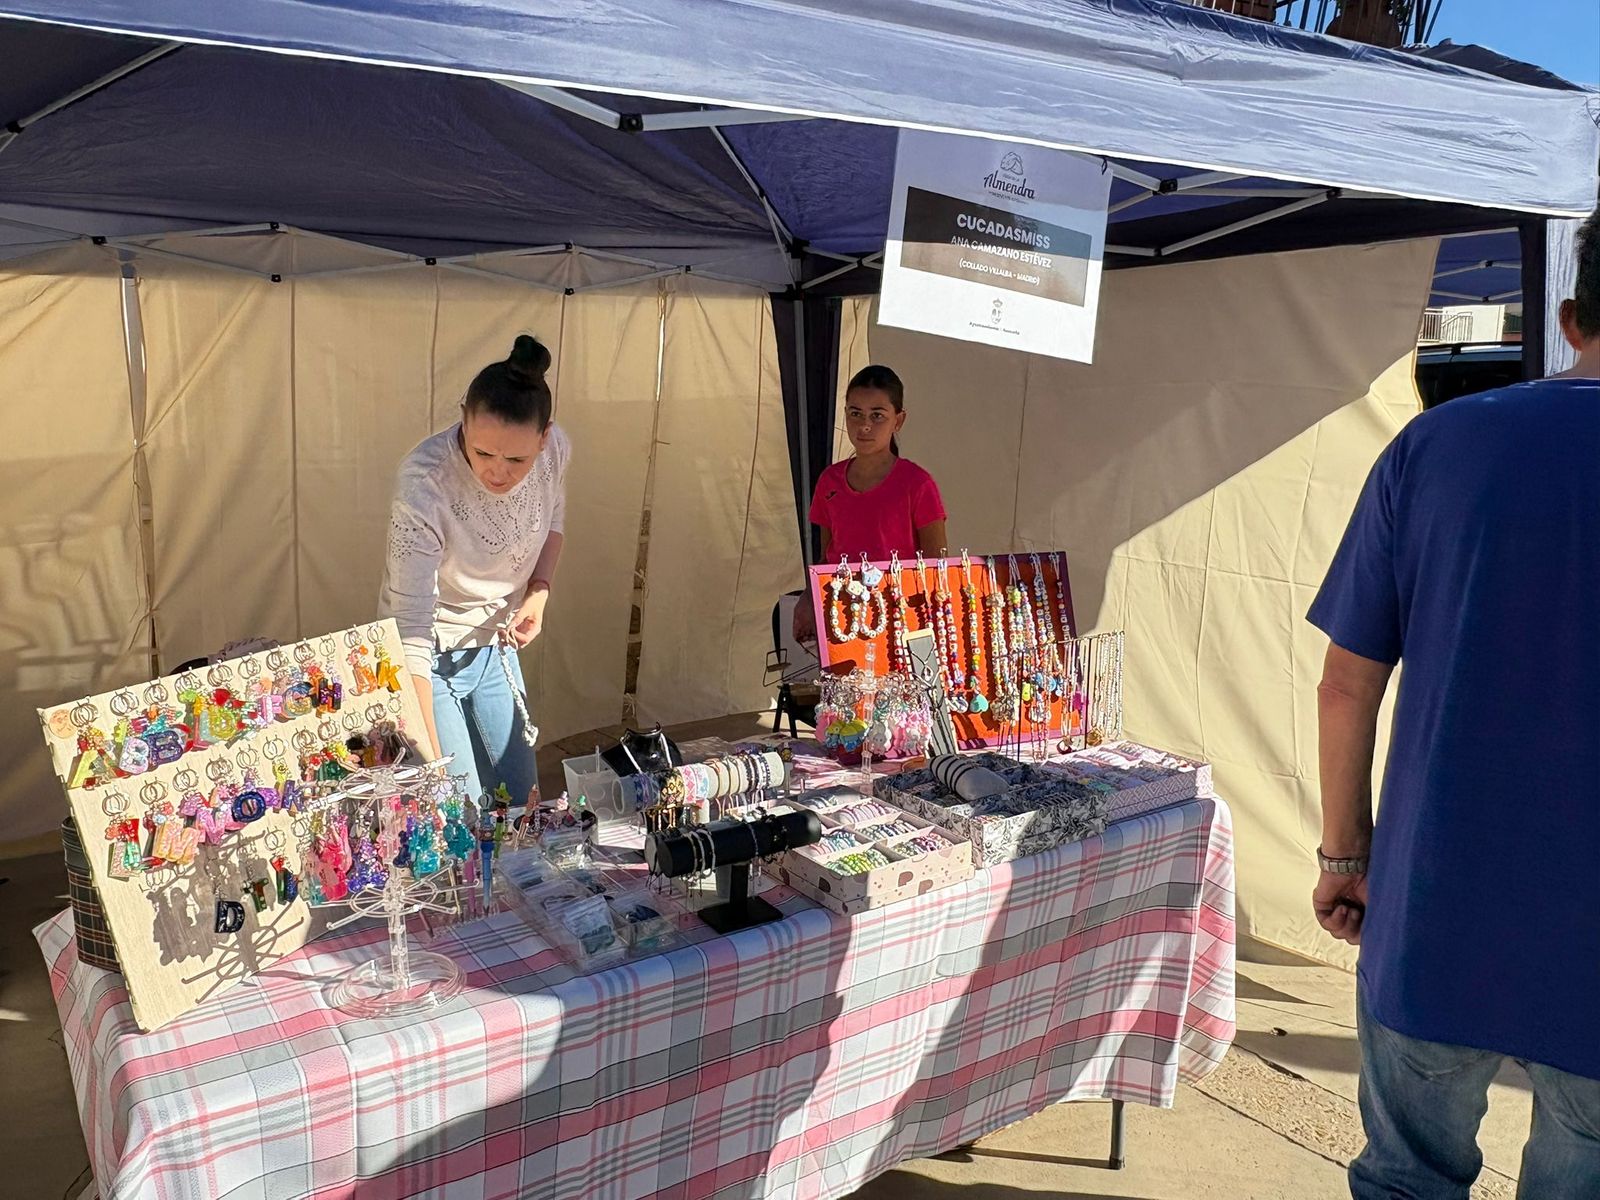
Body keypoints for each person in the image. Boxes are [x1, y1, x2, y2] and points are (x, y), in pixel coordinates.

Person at [1307, 208, 1600, 1200]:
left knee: (1404, 1180)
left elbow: (1347, 683)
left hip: (1431, 910)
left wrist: (1346, 858)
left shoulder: (1434, 447)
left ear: (1568, 316)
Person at [379, 334, 569, 806]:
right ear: (462, 418)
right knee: (460, 808)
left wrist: (539, 591)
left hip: (495, 646)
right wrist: (430, 768)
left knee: (522, 803)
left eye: (517, 459)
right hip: (430, 656)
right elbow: (411, 634)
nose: (497, 472)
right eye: (482, 453)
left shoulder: (557, 451)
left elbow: (554, 518)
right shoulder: (425, 486)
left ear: (544, 438)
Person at [795, 365, 947, 641]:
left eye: (877, 415)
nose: (864, 425)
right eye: (856, 414)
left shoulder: (917, 484)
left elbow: (937, 567)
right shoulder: (830, 481)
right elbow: (826, 558)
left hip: (901, 623)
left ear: (898, 421)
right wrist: (808, 597)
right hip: (843, 620)